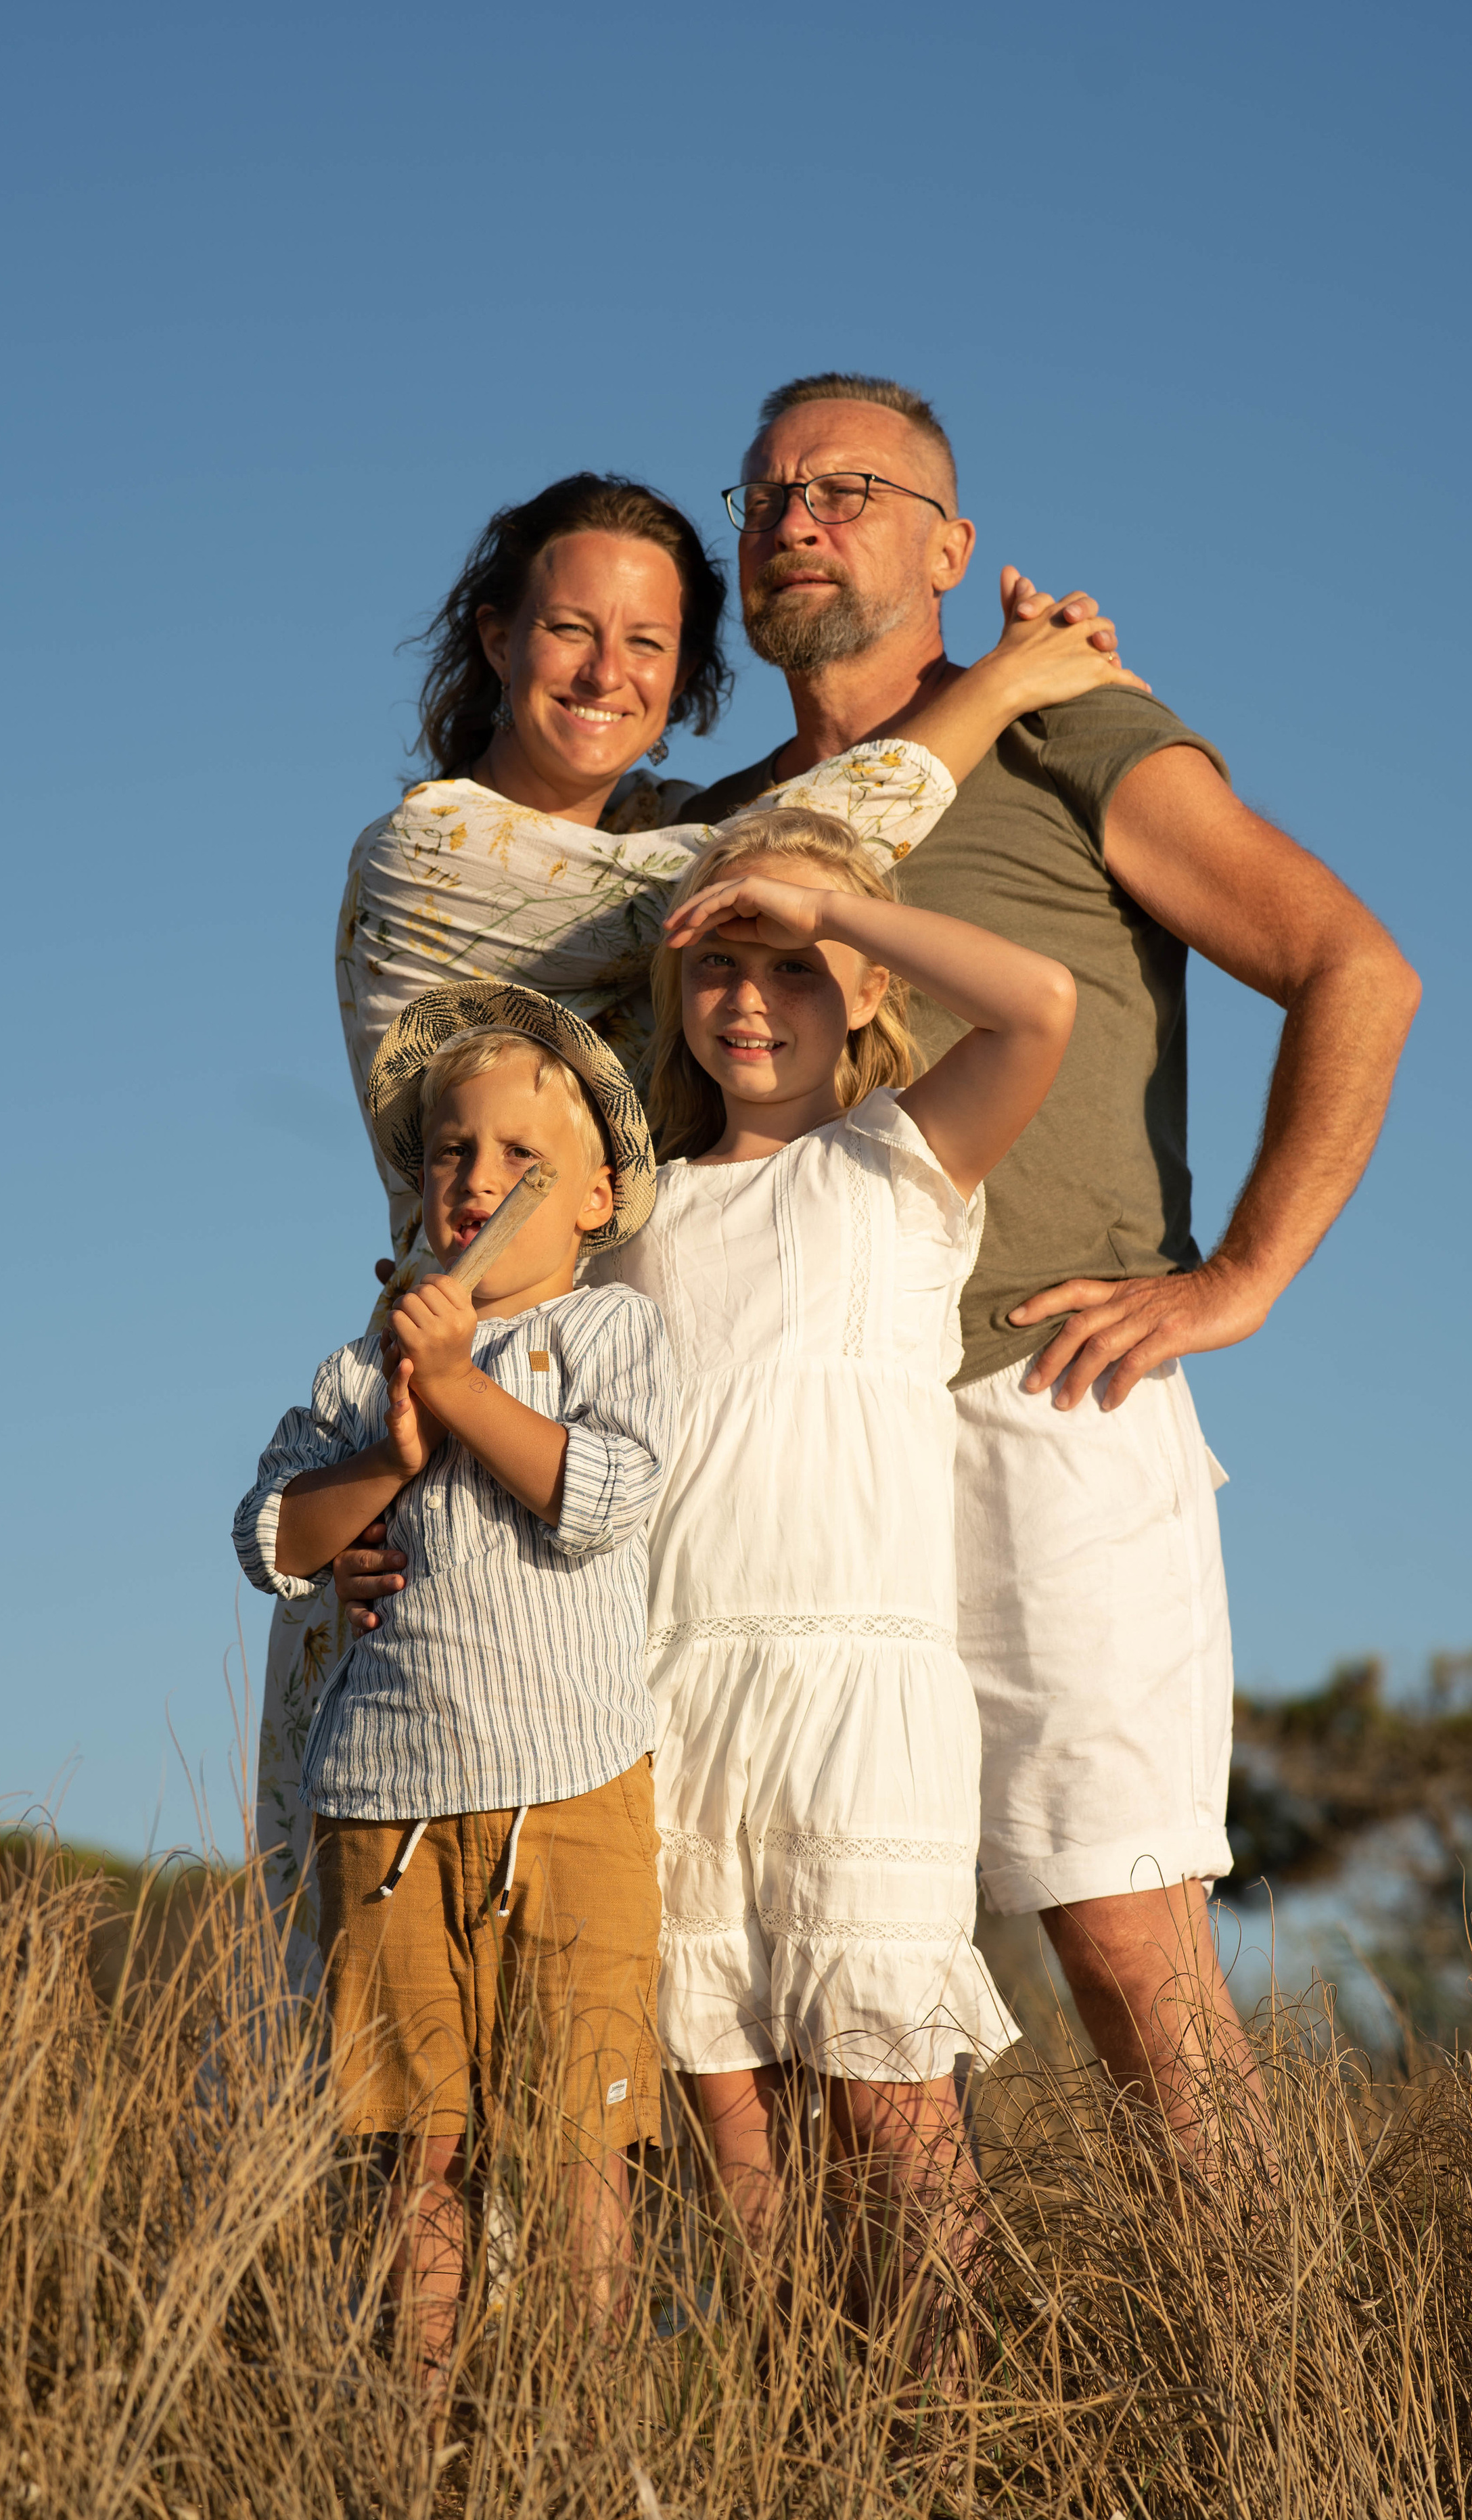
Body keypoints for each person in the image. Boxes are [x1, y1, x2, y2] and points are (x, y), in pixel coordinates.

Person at [664, 371, 1422, 2161]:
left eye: (851, 487)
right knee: (827, 1982)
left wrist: (1237, 1276)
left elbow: (1355, 969)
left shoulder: (1060, 727)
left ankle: (1272, 2421)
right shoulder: (722, 828)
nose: (797, 516)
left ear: (952, 544)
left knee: (1121, 1935)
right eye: (767, 491)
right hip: (797, 1446)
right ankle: (885, 2431)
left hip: (1043, 1384)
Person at [258, 468, 1116, 1984]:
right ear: (492, 636)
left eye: (649, 647)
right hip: (433, 1458)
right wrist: (1000, 684)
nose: (606, 673)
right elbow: (735, 868)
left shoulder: (683, 821)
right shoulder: (429, 853)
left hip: (600, 1469)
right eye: (570, 630)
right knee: (399, 2055)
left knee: (619, 2017)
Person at [593, 794, 1081, 2291]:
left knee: (888, 2102)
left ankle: (939, 2468)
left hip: (856, 1690)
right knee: (723, 2103)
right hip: (671, 1688)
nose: (751, 999)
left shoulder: (898, 1163)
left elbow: (1035, 1006)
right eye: (722, 964)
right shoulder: (635, 1214)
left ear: (863, 984)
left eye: (790, 965)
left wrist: (826, 908)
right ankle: (798, 2453)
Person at [232, 989, 676, 2383]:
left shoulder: (610, 1339)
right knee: (410, 2151)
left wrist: (461, 1386)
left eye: (519, 1160)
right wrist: (395, 1441)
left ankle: (576, 2449)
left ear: (596, 1196)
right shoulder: (353, 1375)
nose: (474, 1178)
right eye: (446, 1150)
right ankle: (414, 2446)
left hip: (572, 1790)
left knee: (572, 2152)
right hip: (384, 1808)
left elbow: (599, 1496)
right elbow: (270, 1541)